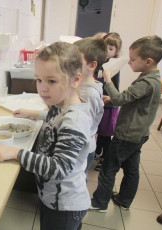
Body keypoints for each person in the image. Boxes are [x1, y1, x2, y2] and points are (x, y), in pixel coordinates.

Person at [0, 42, 92, 230]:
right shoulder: (62, 105)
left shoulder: (74, 121)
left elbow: (59, 167)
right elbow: (56, 118)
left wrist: (16, 153)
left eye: (51, 81)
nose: (42, 88)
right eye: (38, 80)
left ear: (75, 80)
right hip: (53, 198)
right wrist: (34, 113)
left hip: (64, 206)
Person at [90, 35, 162, 212]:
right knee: (132, 169)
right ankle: (124, 200)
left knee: (109, 168)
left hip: (126, 135)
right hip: (140, 134)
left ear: (148, 61)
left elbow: (119, 99)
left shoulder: (146, 82)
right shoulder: (152, 78)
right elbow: (130, 99)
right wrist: (111, 99)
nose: (129, 62)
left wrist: (108, 79)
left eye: (132, 59)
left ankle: (99, 202)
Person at [73, 37, 106, 180]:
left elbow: (85, 125)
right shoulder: (85, 84)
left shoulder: (89, 92)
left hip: (82, 148)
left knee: (78, 178)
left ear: (92, 65)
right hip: (85, 144)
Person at [94, 32, 122, 171]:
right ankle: (97, 152)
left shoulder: (114, 66)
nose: (107, 51)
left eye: (110, 49)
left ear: (117, 51)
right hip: (99, 104)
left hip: (109, 106)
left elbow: (114, 90)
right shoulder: (100, 62)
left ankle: (104, 159)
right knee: (98, 131)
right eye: (105, 47)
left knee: (105, 134)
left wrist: (106, 98)